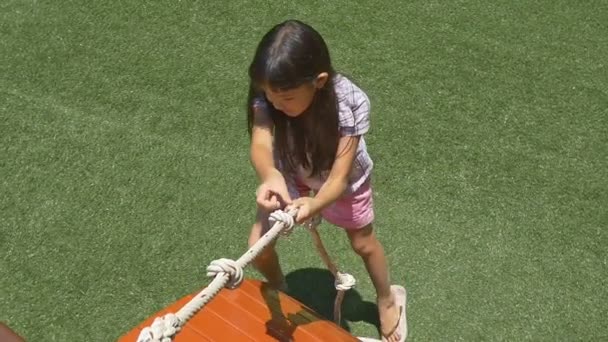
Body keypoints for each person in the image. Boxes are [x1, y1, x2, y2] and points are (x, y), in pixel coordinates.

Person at [245, 19, 406, 341]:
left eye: (286, 98)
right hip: (290, 169)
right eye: (270, 96)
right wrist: (270, 175)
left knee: (362, 242)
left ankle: (388, 297)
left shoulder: (349, 101)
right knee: (258, 247)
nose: (276, 104)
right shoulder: (269, 87)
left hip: (341, 180)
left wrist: (316, 203)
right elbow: (261, 139)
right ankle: (280, 288)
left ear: (318, 81)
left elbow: (340, 175)